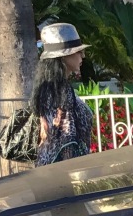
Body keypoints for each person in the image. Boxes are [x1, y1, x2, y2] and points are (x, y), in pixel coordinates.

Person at [33, 23, 94, 166]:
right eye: (78, 52)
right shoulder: (60, 92)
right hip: (63, 173)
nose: (83, 56)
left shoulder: (49, 89)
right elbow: (67, 139)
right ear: (63, 57)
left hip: (50, 168)